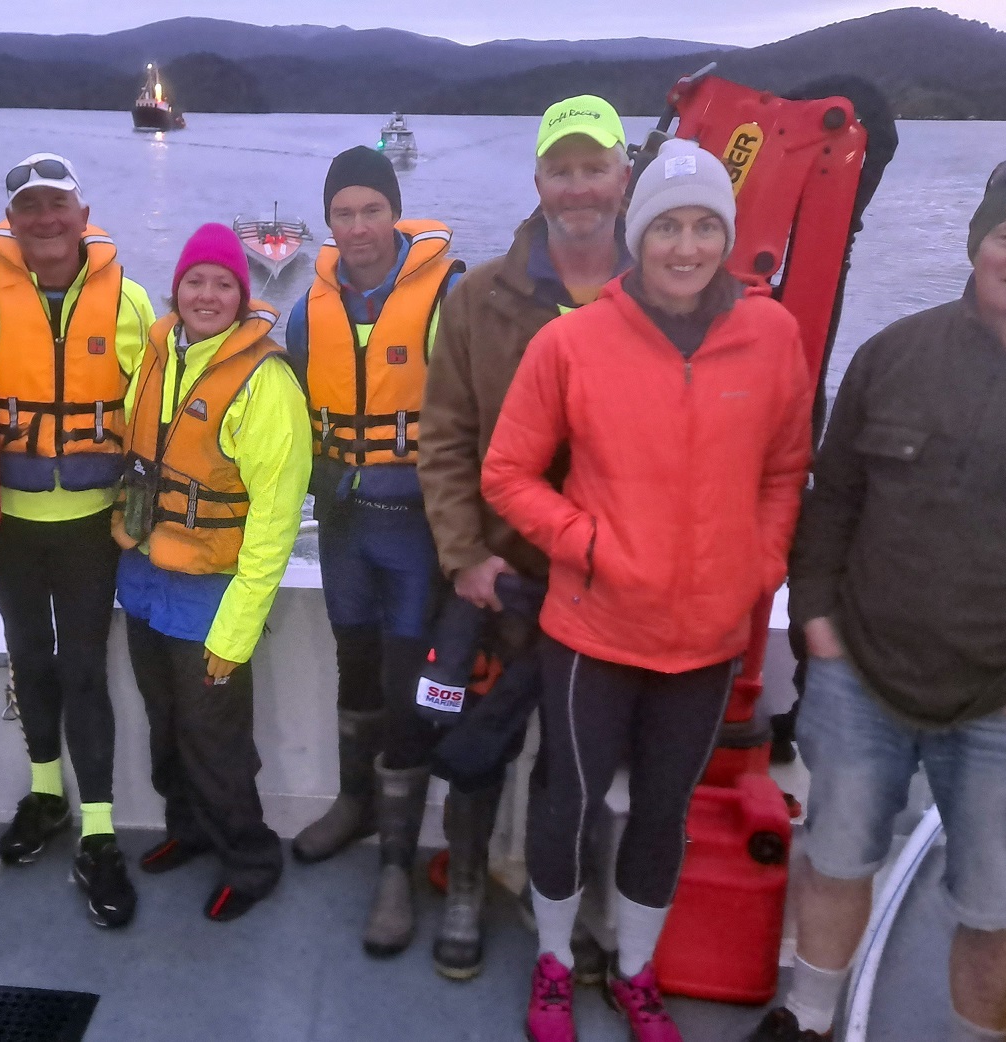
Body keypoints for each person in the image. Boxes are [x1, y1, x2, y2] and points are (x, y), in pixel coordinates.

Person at [754, 154, 1006, 1042]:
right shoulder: (894, 353)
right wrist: (818, 622)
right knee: (833, 855)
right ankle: (809, 1017)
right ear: (978, 242)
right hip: (862, 673)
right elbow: (832, 503)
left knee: (994, 904)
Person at [484, 137, 812, 1042]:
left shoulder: (772, 336)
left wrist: (761, 564)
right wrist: (584, 542)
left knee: (662, 814)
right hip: (593, 627)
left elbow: (787, 469)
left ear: (727, 237)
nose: (686, 246)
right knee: (571, 801)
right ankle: (555, 963)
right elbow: (509, 474)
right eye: (667, 225)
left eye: (706, 225)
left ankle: (635, 970)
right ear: (639, 236)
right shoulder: (573, 341)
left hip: (708, 635)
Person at [416, 94, 635, 982]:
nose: (579, 187)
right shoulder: (479, 299)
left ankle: (572, 902)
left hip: (610, 581)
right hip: (500, 576)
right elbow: (445, 435)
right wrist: (466, 554)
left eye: (596, 168)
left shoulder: (663, 291)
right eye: (562, 170)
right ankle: (466, 884)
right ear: (538, 179)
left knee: (577, 762)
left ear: (624, 176)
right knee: (475, 749)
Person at [0, 153, 156, 927]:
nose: (45, 220)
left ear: (82, 212)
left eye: (57, 204)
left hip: (94, 526)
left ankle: (98, 833)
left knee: (85, 669)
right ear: (13, 221)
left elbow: (155, 406)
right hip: (10, 524)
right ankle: (44, 794)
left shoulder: (129, 300)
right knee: (30, 660)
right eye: (29, 207)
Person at [282, 145, 463, 957]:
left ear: (396, 211)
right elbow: (280, 416)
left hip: (416, 531)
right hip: (345, 527)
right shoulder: (305, 310)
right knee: (352, 666)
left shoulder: (445, 299)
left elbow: (481, 414)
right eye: (343, 213)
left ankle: (395, 861)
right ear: (328, 221)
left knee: (403, 686)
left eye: (370, 210)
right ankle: (353, 804)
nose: (357, 227)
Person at [111, 223, 311, 923]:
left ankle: (250, 860)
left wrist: (238, 629)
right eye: (195, 280)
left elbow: (274, 524)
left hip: (213, 599)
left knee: (215, 742)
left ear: (242, 294)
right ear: (176, 289)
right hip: (144, 583)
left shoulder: (266, 382)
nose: (206, 294)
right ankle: (188, 830)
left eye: (223, 283)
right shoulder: (159, 354)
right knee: (164, 727)